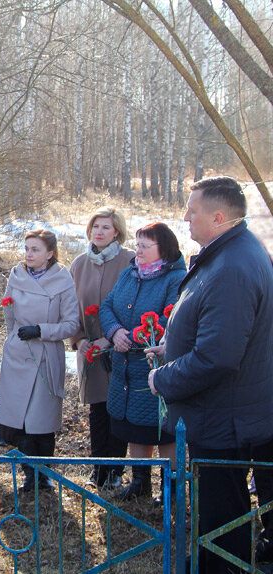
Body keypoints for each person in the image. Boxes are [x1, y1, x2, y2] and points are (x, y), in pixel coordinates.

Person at [148, 177, 273, 572]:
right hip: (228, 411)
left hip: (226, 415)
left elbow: (218, 357)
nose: (185, 217)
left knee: (222, 509)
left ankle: (220, 566)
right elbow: (225, 329)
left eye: (193, 210)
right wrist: (173, 345)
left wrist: (162, 379)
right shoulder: (227, 253)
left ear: (218, 217)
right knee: (219, 507)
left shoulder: (233, 266)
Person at [99, 222, 186, 502]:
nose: (138, 250)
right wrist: (115, 332)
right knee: (133, 424)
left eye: (145, 246)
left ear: (164, 249)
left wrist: (135, 338)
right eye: (137, 245)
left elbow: (171, 317)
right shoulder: (129, 274)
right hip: (126, 367)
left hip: (155, 365)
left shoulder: (176, 278)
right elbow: (107, 306)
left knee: (164, 429)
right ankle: (140, 482)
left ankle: (170, 489)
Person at [0, 229, 79, 491]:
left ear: (50, 254)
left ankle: (43, 475)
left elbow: (72, 323)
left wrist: (42, 330)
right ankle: (28, 473)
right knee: (17, 418)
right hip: (18, 354)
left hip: (45, 355)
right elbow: (8, 313)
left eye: (36, 250)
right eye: (27, 248)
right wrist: (14, 340)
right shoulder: (16, 276)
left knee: (40, 420)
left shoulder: (63, 280)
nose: (29, 254)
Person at [69, 207, 134, 490]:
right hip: (89, 351)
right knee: (97, 410)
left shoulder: (130, 261)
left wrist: (110, 337)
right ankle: (98, 469)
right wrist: (79, 339)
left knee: (117, 409)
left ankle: (116, 470)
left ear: (116, 231)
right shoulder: (79, 264)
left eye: (106, 227)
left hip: (120, 347)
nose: (99, 232)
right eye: (95, 226)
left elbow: (135, 305)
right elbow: (69, 308)